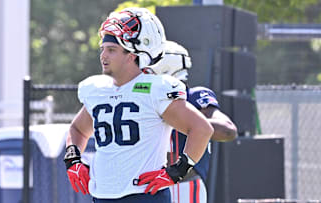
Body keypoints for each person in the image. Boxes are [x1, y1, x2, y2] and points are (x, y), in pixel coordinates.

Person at [63, 7, 214, 203]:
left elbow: (202, 129)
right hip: (103, 195)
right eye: (103, 49)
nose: (103, 56)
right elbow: (78, 129)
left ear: (133, 54)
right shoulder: (98, 89)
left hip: (143, 195)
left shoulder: (155, 89)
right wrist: (73, 159)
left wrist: (176, 172)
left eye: (112, 50)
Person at [142, 40, 238, 203]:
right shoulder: (144, 99)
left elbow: (228, 131)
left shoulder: (194, 97)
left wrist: (188, 121)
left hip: (183, 184)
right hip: (148, 184)